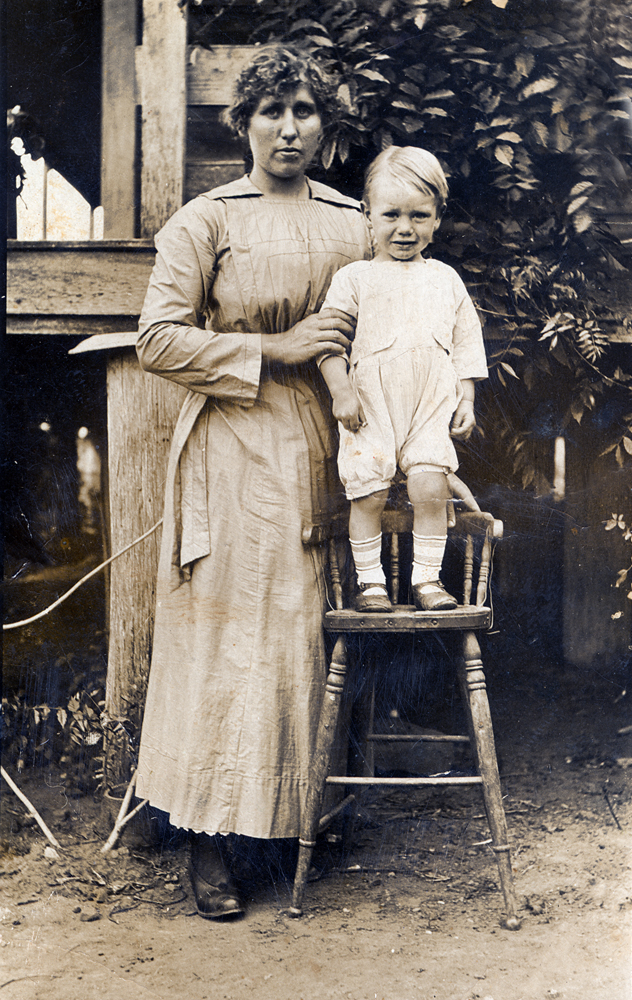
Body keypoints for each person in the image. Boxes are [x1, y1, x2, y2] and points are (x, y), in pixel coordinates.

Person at [134, 44, 369, 921]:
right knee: (226, 644)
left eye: (305, 111)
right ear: (243, 124)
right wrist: (273, 349)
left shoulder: (353, 223)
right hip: (230, 449)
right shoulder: (205, 220)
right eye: (271, 111)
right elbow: (156, 339)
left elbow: (384, 321)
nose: (288, 128)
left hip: (320, 444)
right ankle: (206, 844)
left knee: (299, 637)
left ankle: (289, 825)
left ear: (325, 125)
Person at [318, 146, 488, 614]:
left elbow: (466, 342)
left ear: (436, 220)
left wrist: (467, 397)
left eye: (419, 215)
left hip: (430, 401)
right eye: (391, 214)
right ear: (367, 215)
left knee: (431, 486)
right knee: (369, 488)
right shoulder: (354, 278)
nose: (405, 228)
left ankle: (427, 579)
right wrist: (342, 391)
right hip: (370, 404)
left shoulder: (445, 279)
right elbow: (328, 344)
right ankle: (371, 583)